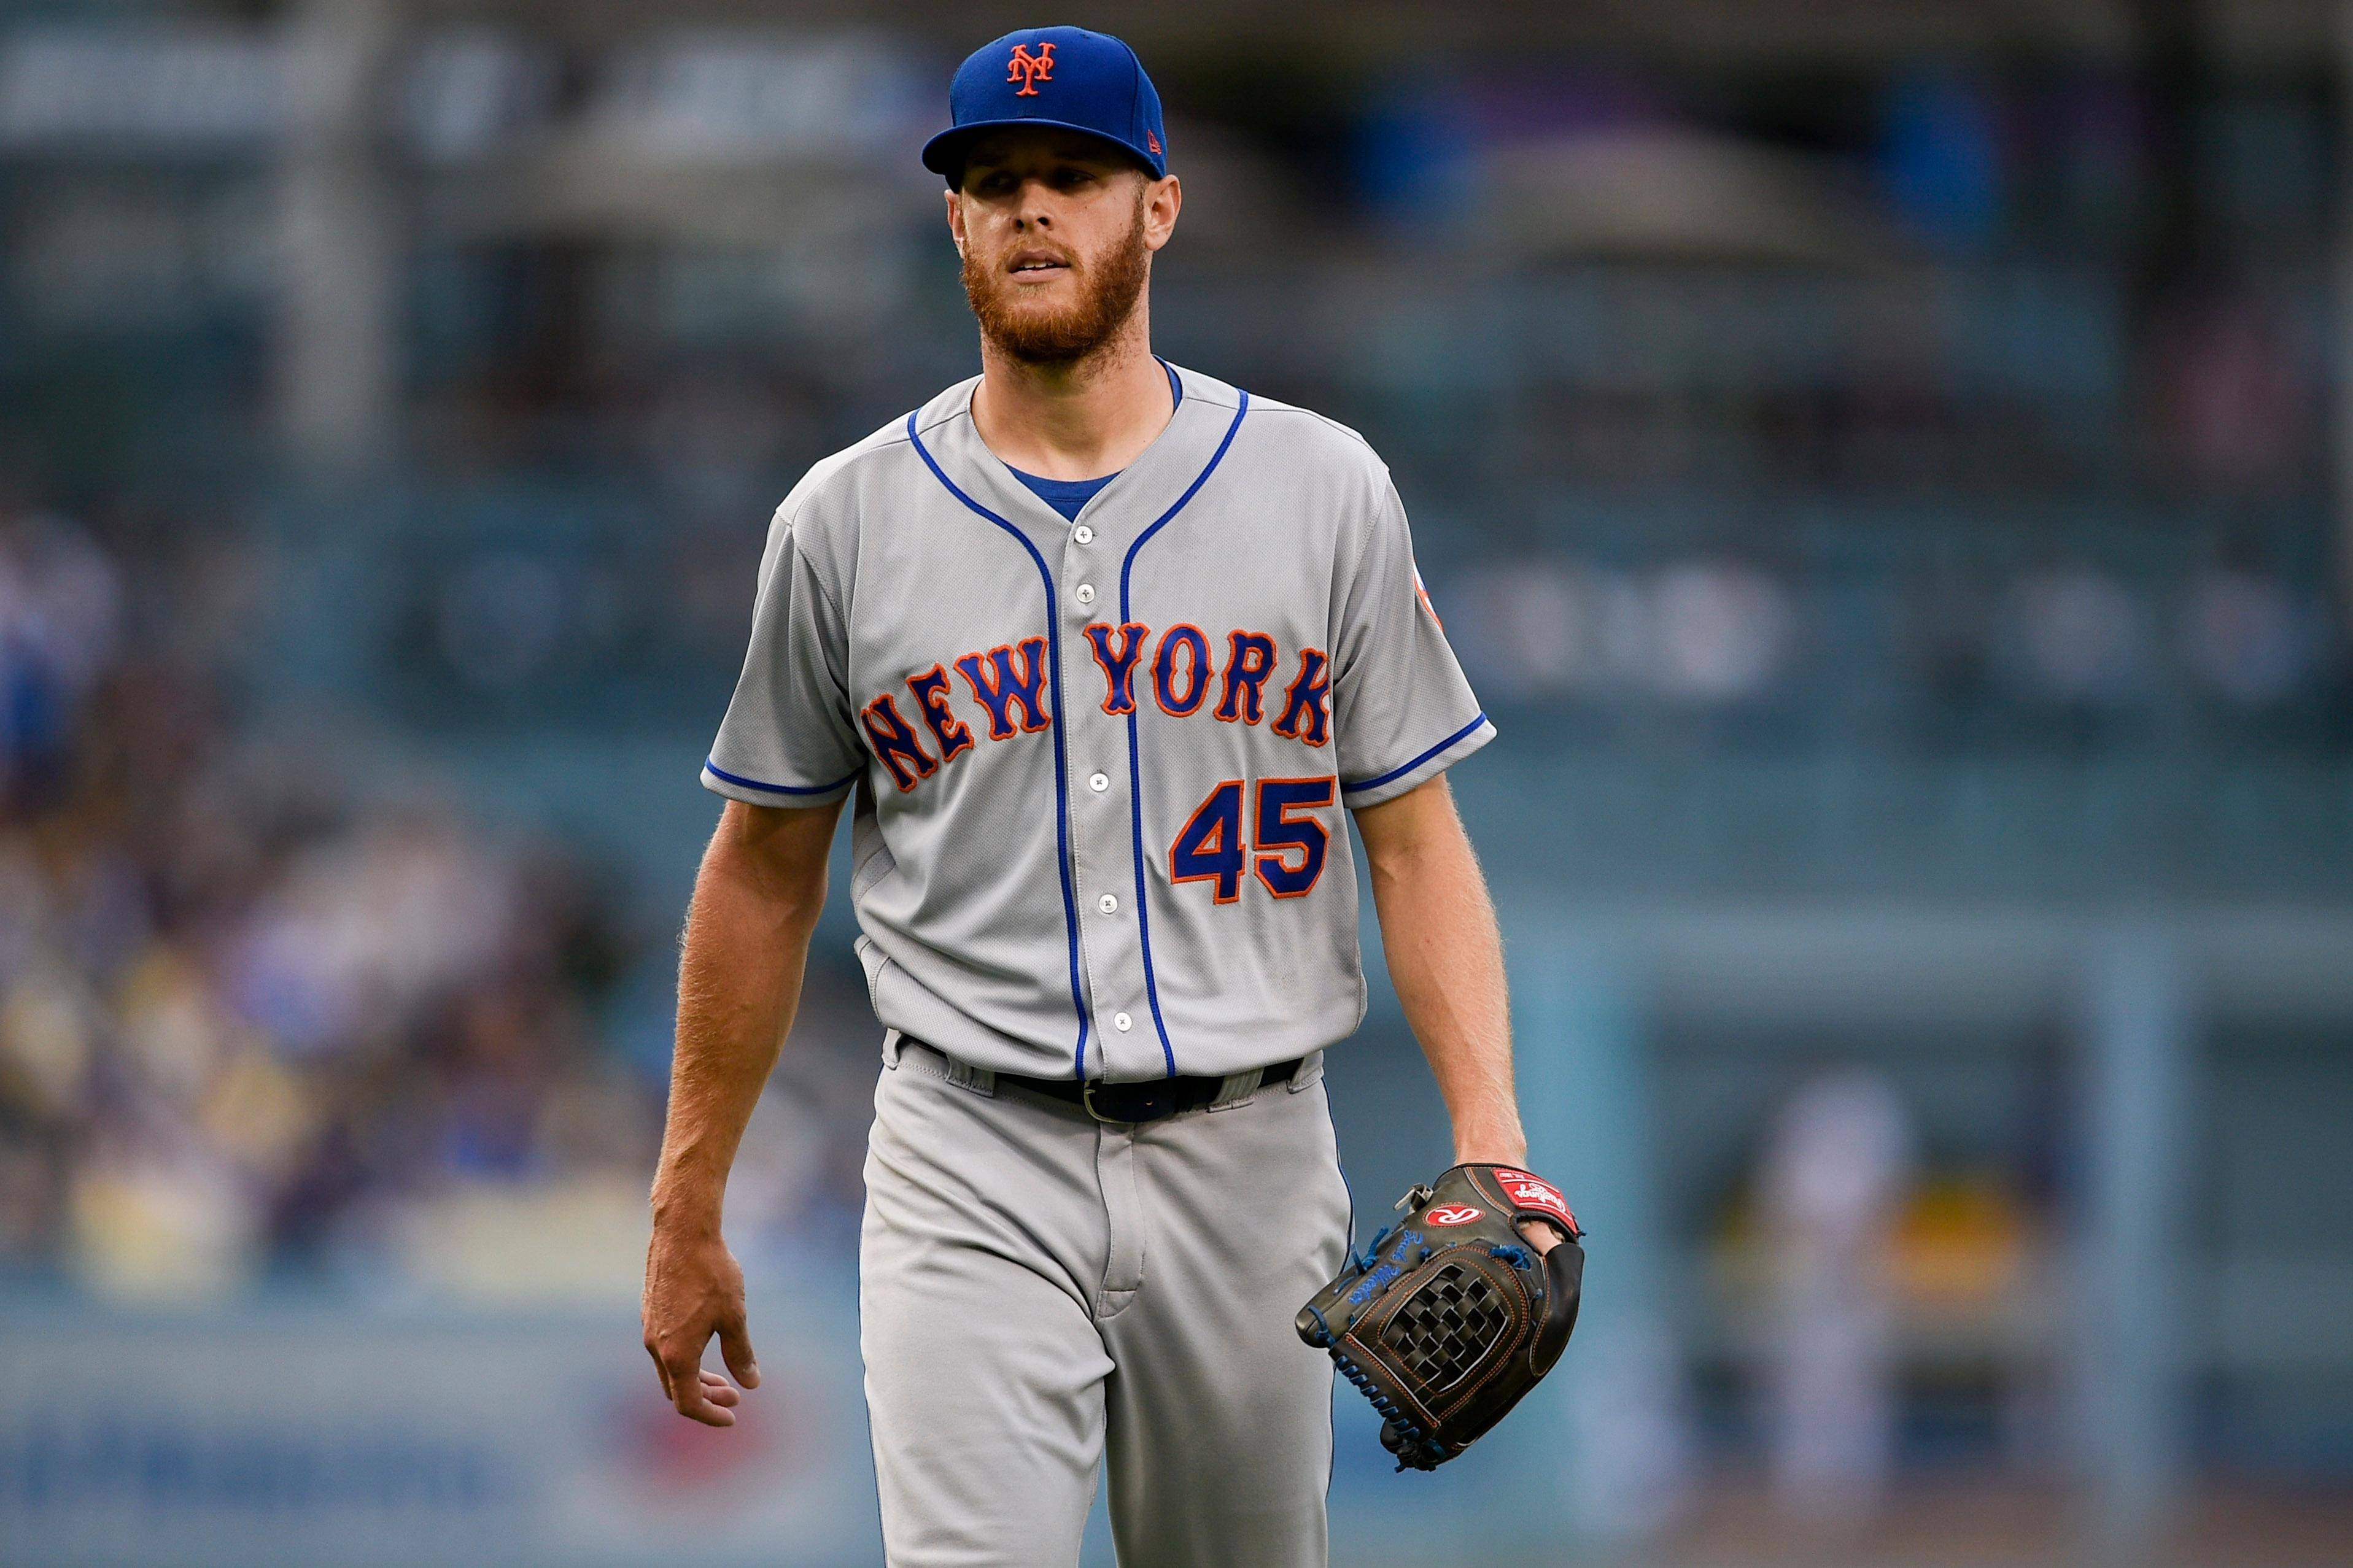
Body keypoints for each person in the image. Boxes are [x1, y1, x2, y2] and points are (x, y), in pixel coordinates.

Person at [641, 26, 1561, 1567]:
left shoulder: (1321, 487)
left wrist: (1493, 1134)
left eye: (1074, 174)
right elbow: (758, 872)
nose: (1031, 208)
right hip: (965, 1150)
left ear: (1161, 208)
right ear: (953, 222)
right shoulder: (844, 521)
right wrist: (685, 1201)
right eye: (993, 182)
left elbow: (1412, 845)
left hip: (1252, 1156)